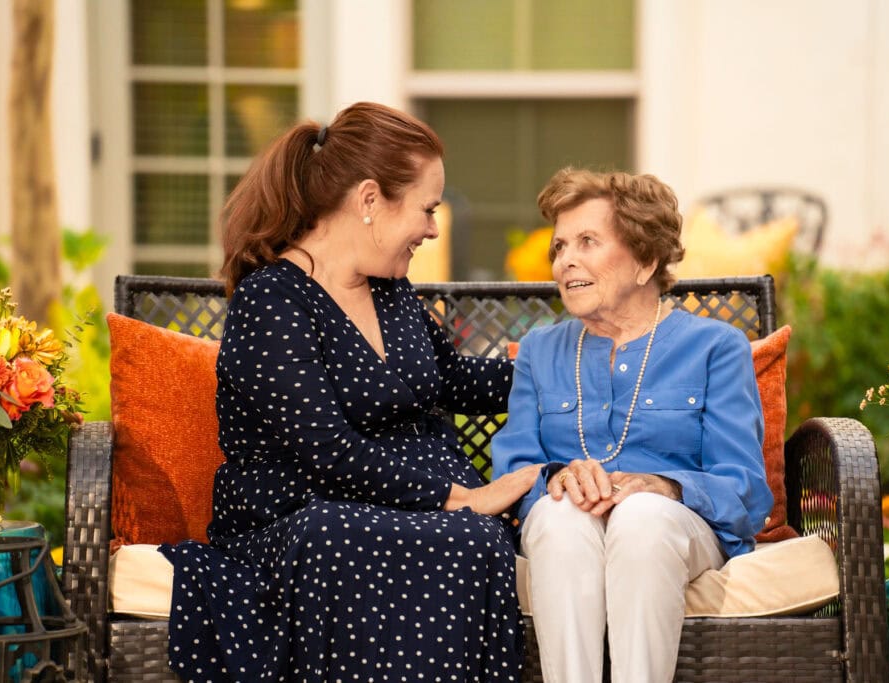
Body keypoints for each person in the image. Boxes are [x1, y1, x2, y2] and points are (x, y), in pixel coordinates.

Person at [159, 102, 541, 682]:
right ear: (369, 200)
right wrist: (458, 496)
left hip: (404, 504)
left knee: (478, 539)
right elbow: (326, 450)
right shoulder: (272, 302)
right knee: (349, 536)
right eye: (427, 208)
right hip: (301, 515)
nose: (434, 229)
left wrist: (568, 369)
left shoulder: (391, 290)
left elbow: (453, 378)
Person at [491, 168, 773, 682]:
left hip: (674, 529)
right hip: (566, 525)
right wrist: (554, 478)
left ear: (645, 260)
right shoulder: (539, 351)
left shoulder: (715, 347)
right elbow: (515, 470)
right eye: (559, 247)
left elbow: (745, 489)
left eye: (587, 242)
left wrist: (661, 487)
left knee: (641, 517)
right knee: (560, 515)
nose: (565, 261)